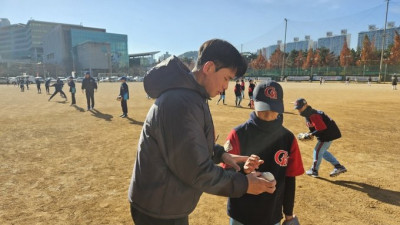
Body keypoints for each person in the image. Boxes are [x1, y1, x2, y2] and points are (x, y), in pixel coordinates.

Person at [128, 39, 276, 225]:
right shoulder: (180, 103)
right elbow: (197, 171)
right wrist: (245, 184)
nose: (226, 87)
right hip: (158, 210)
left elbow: (188, 145)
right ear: (209, 68)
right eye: (226, 78)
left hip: (164, 201)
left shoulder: (192, 96)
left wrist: (221, 155)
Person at [222, 81, 304, 225]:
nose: (268, 114)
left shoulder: (288, 138)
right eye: (264, 108)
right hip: (240, 213)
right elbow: (224, 175)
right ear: (253, 104)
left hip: (271, 214)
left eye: (273, 109)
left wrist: (289, 214)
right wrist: (243, 171)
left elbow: (290, 179)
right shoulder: (238, 134)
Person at [294, 98, 347, 177]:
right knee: (323, 152)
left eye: (300, 108)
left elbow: (321, 128)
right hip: (327, 133)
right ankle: (338, 166)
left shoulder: (313, 114)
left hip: (327, 135)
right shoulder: (307, 113)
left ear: (306, 105)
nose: (299, 110)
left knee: (317, 151)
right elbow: (315, 127)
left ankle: (314, 170)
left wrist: (311, 135)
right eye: (297, 108)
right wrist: (310, 133)